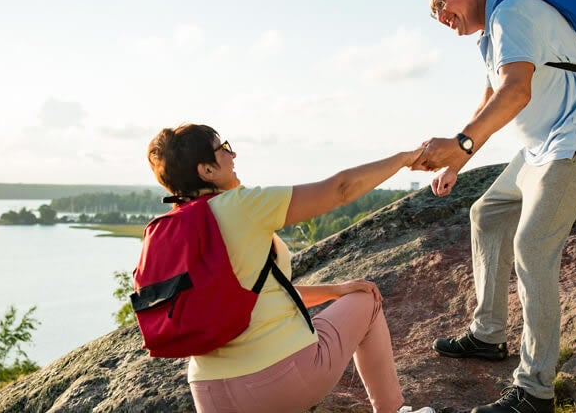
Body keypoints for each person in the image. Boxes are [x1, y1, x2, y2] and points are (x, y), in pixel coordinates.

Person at [414, 0, 576, 413]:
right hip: (542, 147)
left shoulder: (512, 12)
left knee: (532, 246)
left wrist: (462, 144)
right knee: (487, 212)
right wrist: (457, 158)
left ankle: (535, 390)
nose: (438, 16)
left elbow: (516, 91)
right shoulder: (492, 31)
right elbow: (491, 95)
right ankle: (488, 335)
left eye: (438, 3)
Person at [146, 124, 434, 413]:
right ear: (206, 171)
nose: (233, 155)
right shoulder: (243, 205)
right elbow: (341, 189)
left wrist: (335, 290)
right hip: (279, 383)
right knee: (367, 300)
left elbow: (250, 298)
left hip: (208, 394)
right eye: (223, 149)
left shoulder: (172, 229)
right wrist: (404, 158)